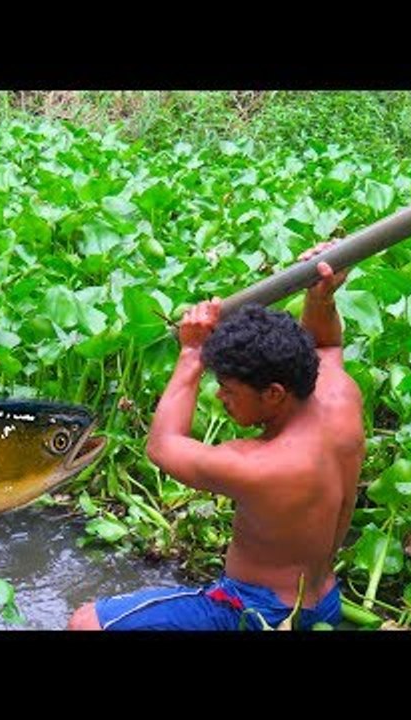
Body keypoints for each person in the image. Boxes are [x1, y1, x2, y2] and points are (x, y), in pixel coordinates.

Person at [67, 241, 365, 630]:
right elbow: (325, 344)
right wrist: (320, 298)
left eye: (228, 389)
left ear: (274, 393)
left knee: (86, 622)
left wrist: (191, 354)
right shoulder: (340, 395)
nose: (220, 397)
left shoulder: (263, 465)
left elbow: (162, 446)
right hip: (322, 603)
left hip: (259, 613)